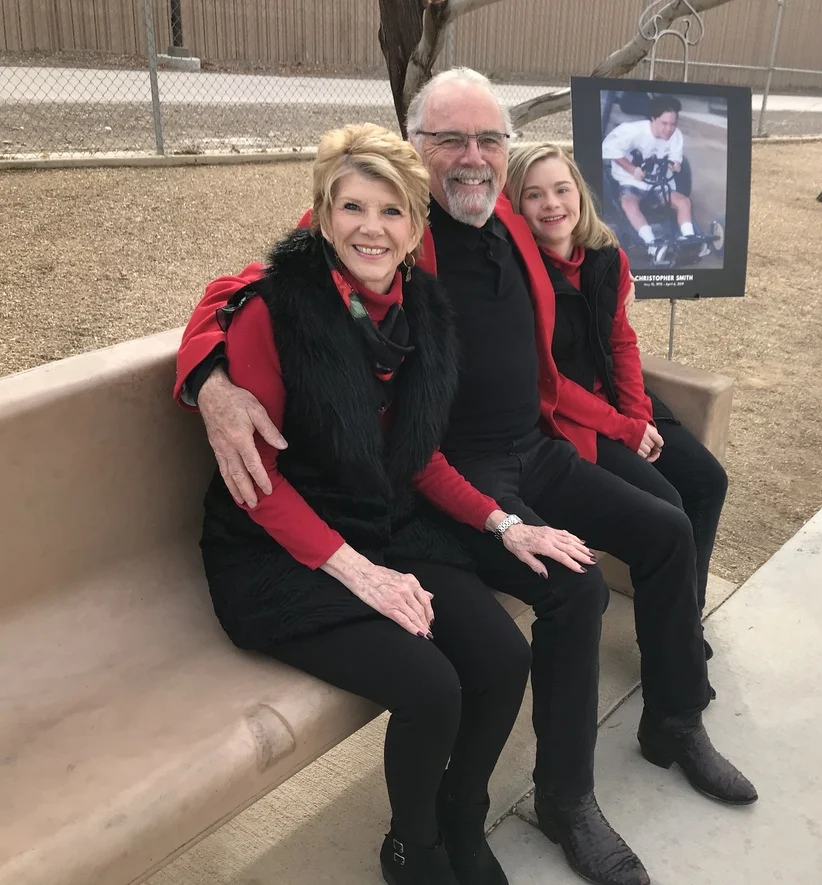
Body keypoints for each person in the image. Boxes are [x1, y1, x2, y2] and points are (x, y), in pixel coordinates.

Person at [176, 69, 756, 885]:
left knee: (666, 527)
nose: (473, 156)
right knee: (575, 588)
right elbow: (251, 287)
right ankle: (566, 799)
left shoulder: (502, 221)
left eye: (489, 139)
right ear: (416, 149)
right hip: (447, 472)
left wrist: (618, 411)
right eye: (450, 139)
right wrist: (208, 378)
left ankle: (674, 717)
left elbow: (585, 266)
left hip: (533, 448)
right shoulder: (388, 222)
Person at [192, 123, 534, 885]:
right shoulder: (279, 311)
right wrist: (359, 573)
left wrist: (503, 522)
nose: (370, 228)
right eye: (351, 207)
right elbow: (258, 484)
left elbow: (418, 457)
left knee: (503, 658)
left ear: (415, 225)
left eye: (390, 210)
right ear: (322, 215)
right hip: (278, 549)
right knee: (430, 687)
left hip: (380, 519)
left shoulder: (423, 311)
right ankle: (413, 846)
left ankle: (460, 815)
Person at [505, 142, 728, 660]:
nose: (551, 203)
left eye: (561, 189)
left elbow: (622, 343)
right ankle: (666, 645)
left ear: (579, 193)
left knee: (706, 481)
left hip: (622, 403)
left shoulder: (608, 257)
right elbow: (547, 382)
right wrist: (625, 430)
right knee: (665, 505)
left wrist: (639, 416)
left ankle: (683, 621)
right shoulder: (518, 277)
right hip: (568, 419)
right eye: (533, 195)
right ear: (515, 207)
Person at [600, 95, 706, 261]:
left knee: (684, 202)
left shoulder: (676, 135)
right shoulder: (631, 131)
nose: (669, 129)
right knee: (628, 203)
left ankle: (689, 239)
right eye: (664, 123)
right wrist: (632, 169)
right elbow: (609, 149)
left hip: (659, 184)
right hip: (632, 182)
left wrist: (675, 164)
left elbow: (676, 158)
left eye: (673, 124)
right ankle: (652, 244)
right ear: (653, 119)